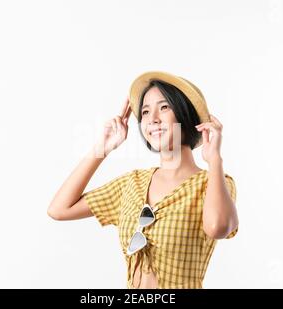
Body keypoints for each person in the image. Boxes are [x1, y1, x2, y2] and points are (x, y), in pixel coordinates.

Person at [48, 71, 239, 289]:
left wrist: (214, 159)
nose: (153, 119)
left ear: (186, 115)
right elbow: (59, 209)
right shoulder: (133, 183)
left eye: (164, 107)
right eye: (145, 112)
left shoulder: (213, 183)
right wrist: (102, 147)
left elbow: (218, 227)